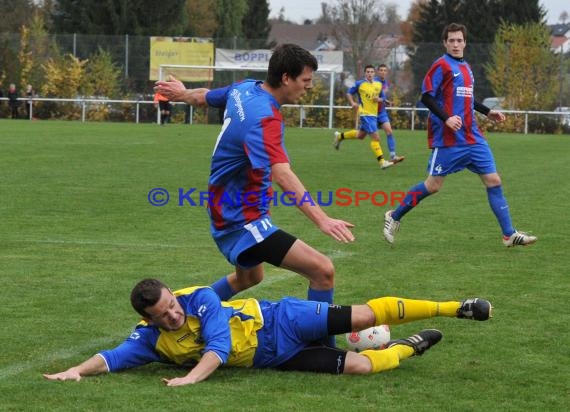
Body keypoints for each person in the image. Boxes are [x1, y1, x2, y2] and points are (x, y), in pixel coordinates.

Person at [154, 44, 355, 347]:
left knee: (249, 278)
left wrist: (182, 94)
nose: (308, 88)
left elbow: (204, 97)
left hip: (229, 211)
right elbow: (282, 174)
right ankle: (324, 349)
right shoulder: (265, 119)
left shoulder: (245, 89)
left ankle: (182, 313)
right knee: (322, 270)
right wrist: (322, 219)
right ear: (286, 78)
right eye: (306, 81)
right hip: (242, 220)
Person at [43, 278, 493, 386]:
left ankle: (458, 307)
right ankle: (411, 348)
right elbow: (114, 356)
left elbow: (218, 346)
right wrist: (76, 371)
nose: (174, 316)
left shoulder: (200, 297)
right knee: (358, 367)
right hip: (274, 357)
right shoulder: (149, 339)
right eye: (164, 315)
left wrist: (188, 379)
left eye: (172, 306)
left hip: (283, 319)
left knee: (360, 317)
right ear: (151, 320)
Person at [383, 23, 537, 248]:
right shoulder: (441, 65)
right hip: (448, 138)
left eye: (459, 40)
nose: (456, 44)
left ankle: (509, 234)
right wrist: (446, 118)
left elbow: (466, 99)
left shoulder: (466, 67)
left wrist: (487, 112)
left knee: (494, 181)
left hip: (472, 136)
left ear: (465, 42)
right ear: (445, 43)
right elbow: (426, 97)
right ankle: (394, 216)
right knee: (433, 186)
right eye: (451, 40)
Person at [333, 64, 405, 164]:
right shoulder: (365, 83)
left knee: (386, 132)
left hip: (380, 112)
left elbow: (381, 97)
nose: (383, 72)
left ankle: (393, 156)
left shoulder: (381, 84)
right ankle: (382, 162)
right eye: (381, 70)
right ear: (377, 72)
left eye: (385, 70)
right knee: (368, 137)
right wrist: (353, 103)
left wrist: (383, 100)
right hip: (367, 113)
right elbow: (351, 92)